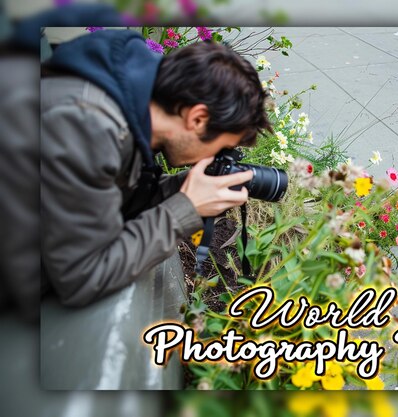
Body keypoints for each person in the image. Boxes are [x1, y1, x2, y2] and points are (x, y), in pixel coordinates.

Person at [41, 29, 271, 307]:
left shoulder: (131, 102)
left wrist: (190, 188)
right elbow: (80, 277)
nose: (218, 157)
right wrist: (186, 208)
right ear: (197, 118)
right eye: (222, 148)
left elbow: (122, 195)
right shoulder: (87, 127)